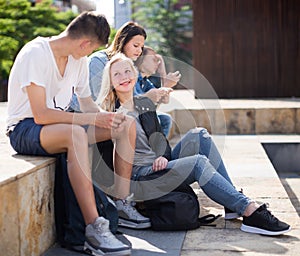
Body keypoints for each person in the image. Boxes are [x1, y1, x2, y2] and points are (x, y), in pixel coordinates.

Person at [98, 53, 291, 236]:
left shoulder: (142, 104)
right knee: (198, 163)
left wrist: (163, 156)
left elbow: (159, 141)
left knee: (200, 135)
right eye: (117, 74)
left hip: (158, 166)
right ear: (111, 82)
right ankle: (248, 209)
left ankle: (232, 204)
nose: (124, 77)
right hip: (142, 176)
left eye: (127, 71)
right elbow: (120, 161)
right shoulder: (115, 115)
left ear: (134, 73)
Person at [6, 12, 137, 256]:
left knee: (125, 125)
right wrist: (91, 119)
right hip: (25, 129)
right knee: (76, 134)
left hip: (62, 127)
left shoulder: (78, 62)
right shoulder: (35, 54)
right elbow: (41, 115)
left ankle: (121, 202)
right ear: (84, 44)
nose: (89, 55)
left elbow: (87, 105)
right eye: (92, 50)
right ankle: (94, 228)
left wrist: (106, 118)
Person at [69, 21, 172, 137]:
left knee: (163, 119)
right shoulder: (98, 61)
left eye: (142, 47)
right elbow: (103, 102)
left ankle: (155, 153)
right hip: (86, 114)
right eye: (135, 46)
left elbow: (132, 101)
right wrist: (146, 98)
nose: (139, 51)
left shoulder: (129, 66)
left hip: (116, 111)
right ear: (123, 41)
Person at [134, 46, 182, 137]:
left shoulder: (145, 81)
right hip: (131, 116)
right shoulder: (134, 77)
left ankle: (159, 150)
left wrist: (162, 72)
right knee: (157, 120)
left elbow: (164, 100)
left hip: (141, 116)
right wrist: (166, 85)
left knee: (165, 118)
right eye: (154, 59)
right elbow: (139, 107)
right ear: (142, 60)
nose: (158, 63)